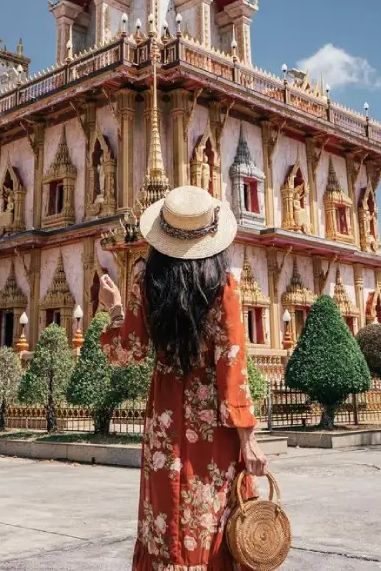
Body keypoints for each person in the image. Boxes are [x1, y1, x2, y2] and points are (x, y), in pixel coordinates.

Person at [99, 185, 269, 571]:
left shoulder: (147, 280)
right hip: (213, 425)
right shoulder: (224, 285)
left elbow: (127, 353)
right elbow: (232, 363)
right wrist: (248, 437)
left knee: (167, 511)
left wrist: (114, 311)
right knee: (210, 514)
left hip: (165, 422)